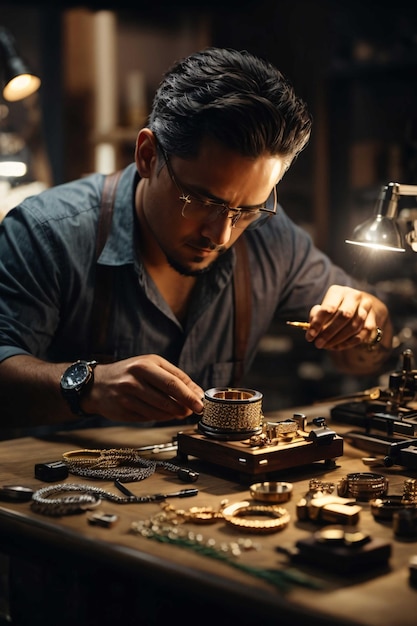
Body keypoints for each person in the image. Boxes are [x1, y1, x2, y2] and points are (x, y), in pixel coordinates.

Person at [0, 47, 393, 431]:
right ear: (148, 155)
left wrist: (366, 326)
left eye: (247, 209)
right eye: (202, 200)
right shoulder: (47, 232)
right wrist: (86, 387)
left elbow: (361, 359)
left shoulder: (271, 237)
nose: (221, 234)